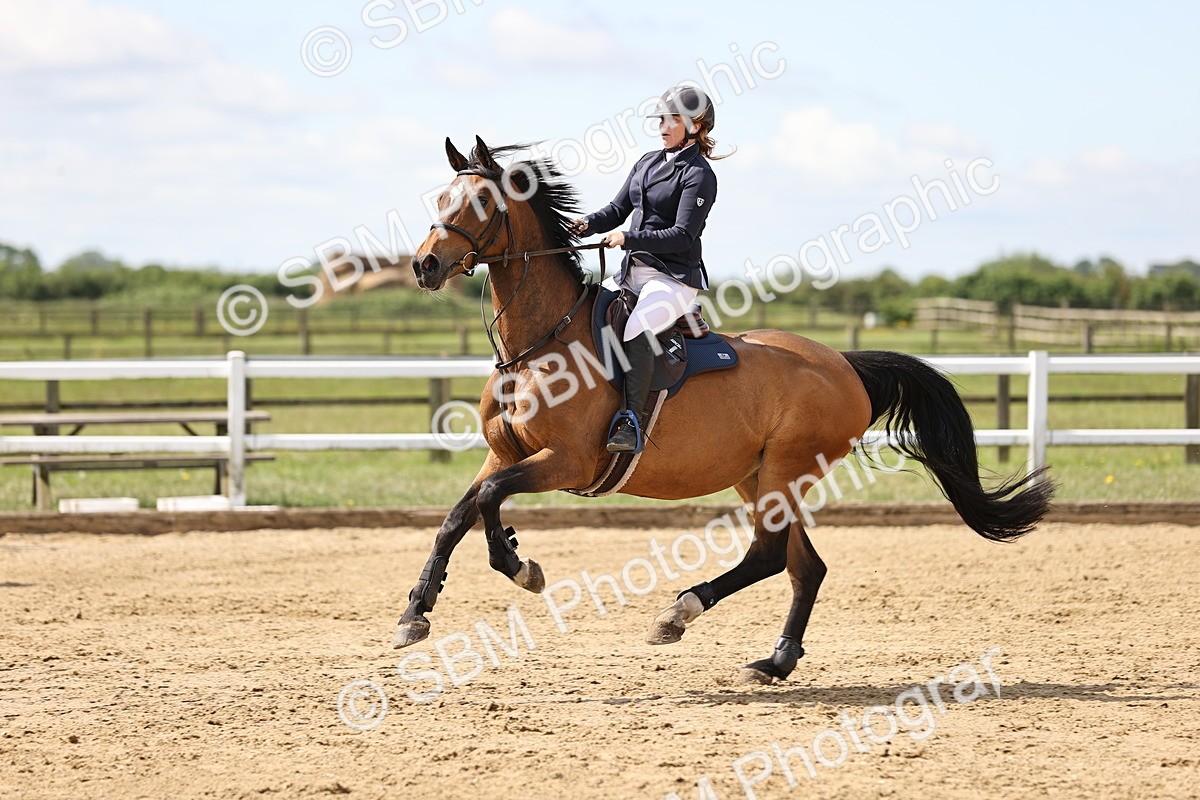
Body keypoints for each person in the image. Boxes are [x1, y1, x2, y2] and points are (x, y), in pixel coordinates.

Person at [570, 85, 727, 454]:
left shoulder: (700, 175)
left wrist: (628, 238)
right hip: (630, 274)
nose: (662, 126)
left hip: (671, 278)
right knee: (582, 313)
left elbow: (682, 236)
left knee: (636, 329)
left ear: (695, 126)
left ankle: (631, 421)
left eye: (671, 120)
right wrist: (585, 224)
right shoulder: (647, 162)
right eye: (660, 120)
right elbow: (616, 209)